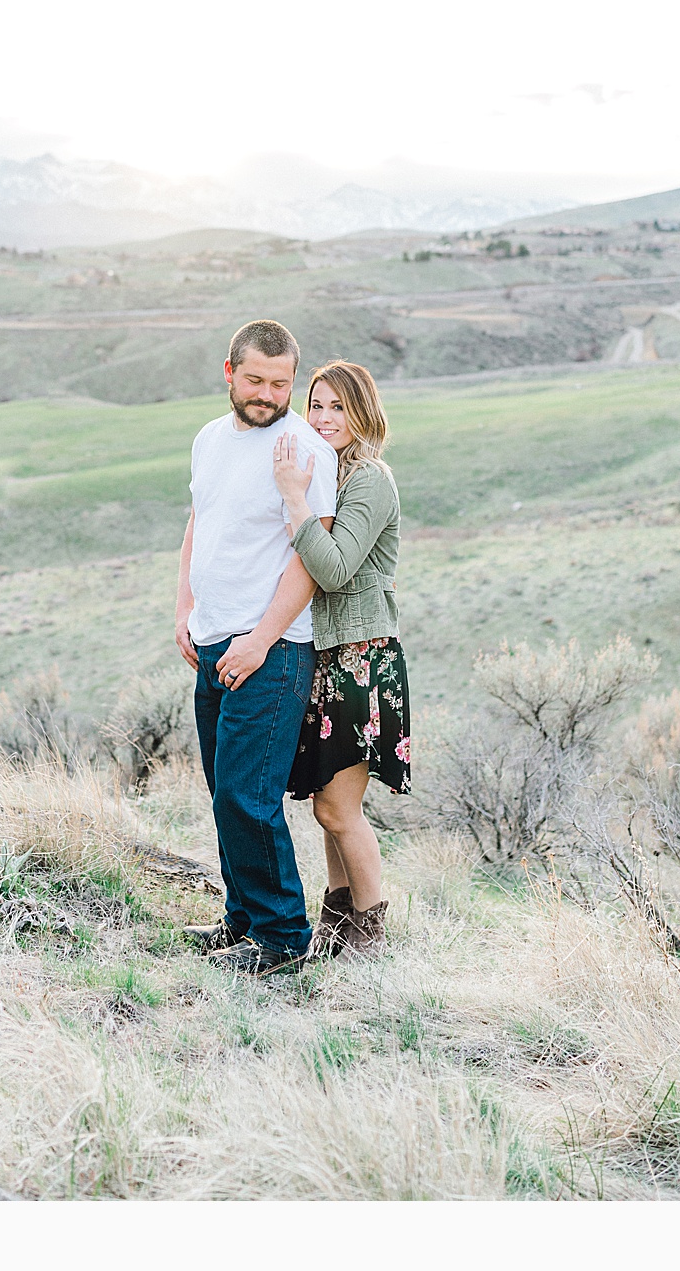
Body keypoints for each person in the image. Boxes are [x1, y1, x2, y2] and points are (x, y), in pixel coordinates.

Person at [175, 319, 338, 976]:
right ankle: (241, 921)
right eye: (256, 381)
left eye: (281, 383)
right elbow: (198, 520)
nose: (269, 394)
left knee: (249, 795)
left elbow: (310, 552)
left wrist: (260, 639)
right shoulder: (210, 439)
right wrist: (184, 607)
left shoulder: (303, 449)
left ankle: (281, 941)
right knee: (224, 792)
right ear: (229, 373)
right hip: (211, 638)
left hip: (270, 650)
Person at [274, 361, 410, 957]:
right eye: (317, 405)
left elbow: (333, 568)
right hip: (323, 658)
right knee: (324, 807)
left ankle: (370, 930)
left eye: (338, 407)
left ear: (364, 413)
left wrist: (294, 501)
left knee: (338, 807)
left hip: (361, 659)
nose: (325, 419)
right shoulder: (326, 475)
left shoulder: (370, 480)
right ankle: (336, 925)